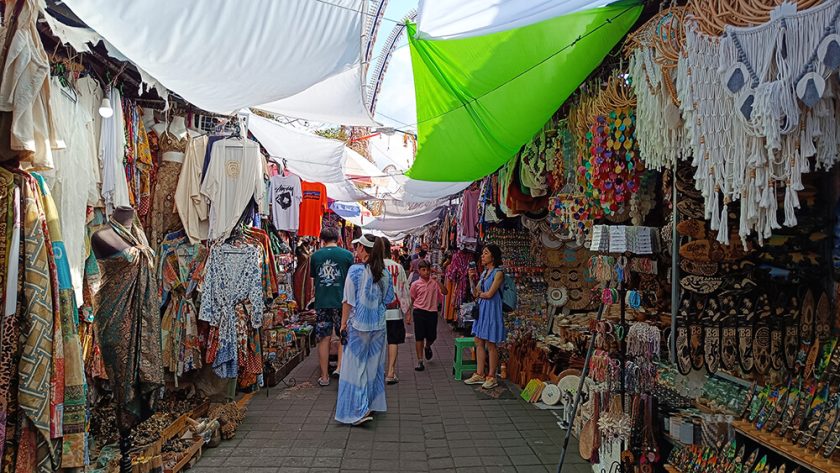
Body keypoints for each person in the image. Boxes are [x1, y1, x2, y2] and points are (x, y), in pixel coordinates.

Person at [336, 234, 395, 425]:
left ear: (363, 249)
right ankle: (371, 404)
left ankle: (357, 410)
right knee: (373, 367)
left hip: (357, 327)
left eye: (358, 246)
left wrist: (343, 324)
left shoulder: (355, 271)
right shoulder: (385, 273)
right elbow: (388, 299)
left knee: (355, 369)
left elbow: (347, 301)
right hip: (378, 326)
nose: (356, 249)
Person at [310, 227, 354, 386]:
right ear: (339, 239)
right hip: (343, 302)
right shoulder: (348, 255)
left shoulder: (315, 256)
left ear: (322, 239)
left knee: (323, 337)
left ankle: (324, 376)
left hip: (322, 302)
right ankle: (340, 369)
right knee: (343, 335)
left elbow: (314, 278)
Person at [465, 245, 506, 389]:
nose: (482, 256)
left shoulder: (498, 273)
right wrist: (471, 279)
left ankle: (491, 376)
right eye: (482, 253)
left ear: (493, 256)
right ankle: (479, 373)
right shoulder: (484, 274)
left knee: (491, 343)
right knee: (479, 341)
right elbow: (475, 292)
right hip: (482, 309)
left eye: (486, 253)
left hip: (492, 310)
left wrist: (480, 294)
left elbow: (489, 294)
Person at [410, 259, 447, 371]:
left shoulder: (434, 283)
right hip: (419, 312)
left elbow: (445, 292)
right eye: (423, 270)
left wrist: (438, 282)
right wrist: (408, 314)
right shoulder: (415, 284)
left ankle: (427, 346)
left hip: (432, 312)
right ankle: (420, 361)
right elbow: (412, 298)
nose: (426, 272)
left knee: (432, 336)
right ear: (419, 271)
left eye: (428, 270)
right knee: (419, 337)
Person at [382, 238, 411, 384]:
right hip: (394, 311)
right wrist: (407, 311)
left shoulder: (372, 267)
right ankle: (391, 372)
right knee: (392, 341)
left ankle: (377, 371)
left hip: (376, 313)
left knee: (378, 342)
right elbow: (404, 289)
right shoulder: (397, 267)